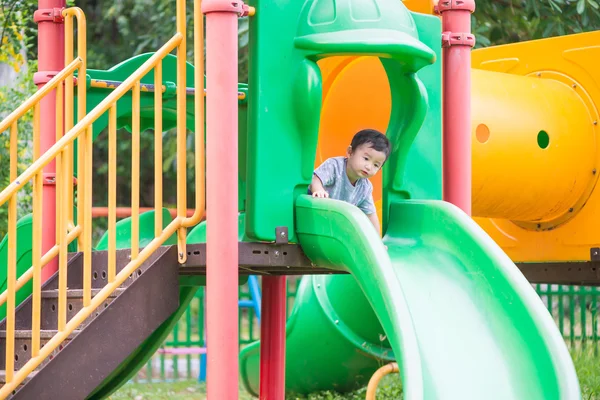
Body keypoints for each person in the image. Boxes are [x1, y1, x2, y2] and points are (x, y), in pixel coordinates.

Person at [309, 129, 390, 234]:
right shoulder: (334, 166)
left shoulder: (365, 187)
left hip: (335, 225)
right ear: (350, 152)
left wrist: (377, 241)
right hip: (314, 216)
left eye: (376, 165)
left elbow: (370, 215)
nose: (369, 167)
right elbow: (315, 179)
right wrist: (318, 190)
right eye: (366, 158)